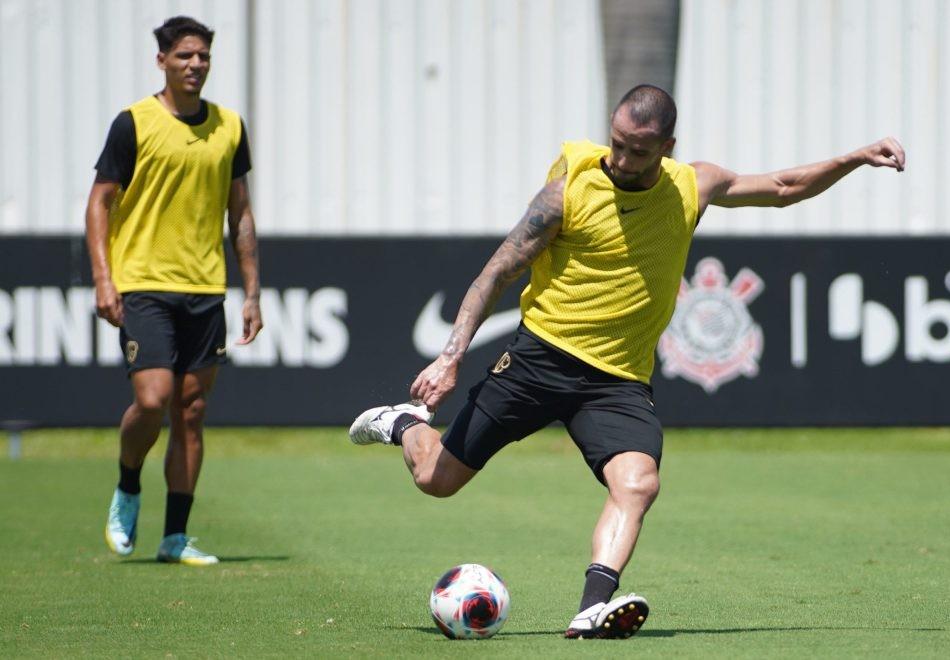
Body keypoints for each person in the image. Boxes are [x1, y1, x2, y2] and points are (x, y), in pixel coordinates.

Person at [349, 84, 905, 637]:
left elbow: (784, 187)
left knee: (638, 482)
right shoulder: (567, 193)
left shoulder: (693, 185)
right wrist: (450, 358)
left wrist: (853, 158)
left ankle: (592, 606)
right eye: (616, 143)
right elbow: (497, 271)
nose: (621, 159)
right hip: (540, 358)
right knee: (436, 479)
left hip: (616, 380)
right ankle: (403, 425)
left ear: (667, 146)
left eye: (638, 150)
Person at [87, 16, 263, 566]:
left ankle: (175, 536)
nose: (195, 65)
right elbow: (100, 201)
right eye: (185, 55)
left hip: (205, 289)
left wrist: (252, 292)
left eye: (203, 56)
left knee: (190, 410)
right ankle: (128, 485)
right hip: (143, 284)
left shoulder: (229, 127)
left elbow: (241, 213)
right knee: (153, 398)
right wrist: (103, 278)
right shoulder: (133, 122)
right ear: (161, 60)